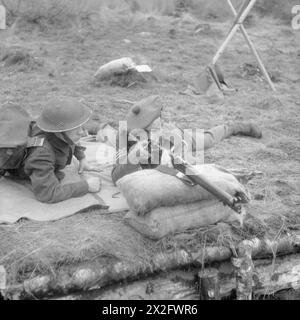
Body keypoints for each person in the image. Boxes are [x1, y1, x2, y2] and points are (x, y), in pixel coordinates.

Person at [108, 95, 262, 184]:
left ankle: (234, 127)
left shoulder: (169, 133)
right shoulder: (123, 136)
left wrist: (167, 150)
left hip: (182, 139)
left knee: (209, 139)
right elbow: (116, 177)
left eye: (159, 121)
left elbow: (185, 166)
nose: (158, 126)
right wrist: (132, 158)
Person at [1, 98, 102, 203]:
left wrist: (82, 158)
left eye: (81, 127)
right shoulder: (42, 155)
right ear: (59, 131)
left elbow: (70, 142)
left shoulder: (55, 129)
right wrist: (86, 186)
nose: (83, 133)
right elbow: (47, 194)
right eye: (76, 129)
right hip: (24, 165)